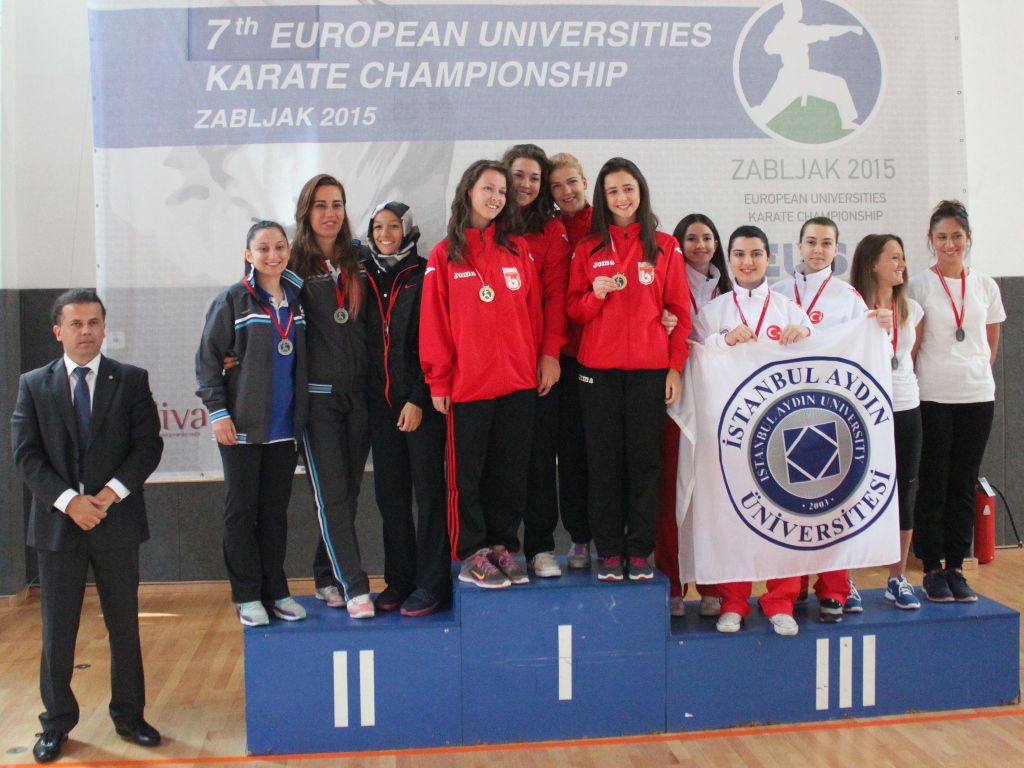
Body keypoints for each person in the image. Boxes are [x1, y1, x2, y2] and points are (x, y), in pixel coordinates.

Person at [12, 289, 164, 762]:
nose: (86, 332)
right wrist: (69, 502)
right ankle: (56, 723)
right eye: (76, 324)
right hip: (59, 527)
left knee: (124, 626)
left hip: (116, 523)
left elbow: (148, 446)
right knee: (58, 631)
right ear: (58, 330)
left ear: (104, 328)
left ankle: (130, 716)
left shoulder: (131, 380)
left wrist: (109, 494)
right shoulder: (33, 384)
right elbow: (26, 455)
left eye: (94, 323)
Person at [419, 159, 543, 589]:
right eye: (488, 188)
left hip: (518, 383)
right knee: (466, 478)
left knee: (509, 474)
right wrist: (438, 379)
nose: (496, 197)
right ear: (468, 191)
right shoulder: (445, 254)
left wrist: (533, 362)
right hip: (469, 385)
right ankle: (472, 552)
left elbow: (533, 313)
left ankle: (502, 545)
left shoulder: (517, 249)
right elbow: (434, 322)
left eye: (502, 192)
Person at [566, 157, 690, 582]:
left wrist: (674, 369)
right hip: (597, 373)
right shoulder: (587, 247)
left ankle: (639, 550)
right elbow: (573, 310)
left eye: (628, 189)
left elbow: (679, 312)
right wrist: (595, 296)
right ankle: (608, 550)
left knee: (645, 464)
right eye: (613, 191)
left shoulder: (666, 246)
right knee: (603, 464)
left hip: (649, 373)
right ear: (602, 197)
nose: (621, 198)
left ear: (641, 192)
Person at [694, 225, 812, 636]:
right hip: (729, 431)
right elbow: (693, 357)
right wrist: (723, 341)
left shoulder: (788, 310)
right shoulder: (712, 312)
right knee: (733, 515)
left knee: (785, 515)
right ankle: (733, 601)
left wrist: (806, 334)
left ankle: (781, 600)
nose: (748, 262)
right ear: (729, 258)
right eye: (740, 254)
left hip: (780, 433)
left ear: (769, 258)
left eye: (756, 254)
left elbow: (820, 355)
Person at [196, 221, 309, 627]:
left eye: (279, 247)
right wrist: (218, 412)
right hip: (242, 427)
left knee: (274, 514)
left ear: (289, 251)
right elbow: (208, 359)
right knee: (241, 513)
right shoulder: (232, 300)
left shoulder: (298, 299)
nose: (272, 255)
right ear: (248, 255)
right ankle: (247, 596)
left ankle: (276, 591)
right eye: (263, 248)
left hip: (284, 428)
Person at [774, 216, 878, 621]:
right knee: (789, 502)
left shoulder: (848, 297)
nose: (818, 250)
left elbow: (866, 349)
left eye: (826, 243)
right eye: (811, 242)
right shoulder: (779, 294)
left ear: (837, 249)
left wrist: (881, 327)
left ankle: (834, 588)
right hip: (786, 414)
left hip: (833, 413)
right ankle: (793, 584)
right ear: (799, 245)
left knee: (834, 505)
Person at [909, 200, 1005, 602]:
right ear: (931, 240)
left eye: (956, 236)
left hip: (977, 396)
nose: (949, 244)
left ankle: (956, 566)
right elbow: (912, 345)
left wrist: (975, 372)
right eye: (941, 237)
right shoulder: (919, 285)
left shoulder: (985, 286)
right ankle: (932, 567)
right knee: (934, 482)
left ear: (968, 238)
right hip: (933, 396)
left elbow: (990, 342)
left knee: (964, 483)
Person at [360, 202, 449, 616]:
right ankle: (399, 580)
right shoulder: (361, 276)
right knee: (390, 498)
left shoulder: (425, 273)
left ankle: (432, 583)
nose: (385, 234)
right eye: (378, 227)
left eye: (393, 227)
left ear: (408, 231)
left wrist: (418, 397)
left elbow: (435, 340)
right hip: (380, 408)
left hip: (421, 405)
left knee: (429, 495)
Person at [292, 174, 374, 618]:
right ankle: (355, 586)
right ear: (306, 212)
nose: (330, 213)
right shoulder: (291, 265)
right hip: (318, 402)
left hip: (358, 398)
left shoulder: (359, 260)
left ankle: (326, 576)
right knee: (332, 497)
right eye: (321, 205)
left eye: (337, 204)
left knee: (350, 493)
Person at [657, 213, 732, 617]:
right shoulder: (665, 282)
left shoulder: (729, 290)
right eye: (691, 238)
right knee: (673, 493)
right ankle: (672, 583)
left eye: (707, 237)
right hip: (678, 401)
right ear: (678, 243)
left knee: (714, 496)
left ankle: (713, 585)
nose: (700, 245)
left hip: (721, 406)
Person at [502, 144, 570, 578]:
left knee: (540, 458)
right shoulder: (487, 225)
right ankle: (504, 545)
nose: (525, 185)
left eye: (534, 178)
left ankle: (541, 546)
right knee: (503, 458)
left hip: (539, 363)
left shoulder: (552, 230)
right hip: (497, 365)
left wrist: (549, 353)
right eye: (519, 175)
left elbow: (556, 295)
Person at [850, 234, 923, 609]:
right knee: (854, 492)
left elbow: (910, 356)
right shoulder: (852, 308)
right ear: (872, 263)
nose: (901, 264)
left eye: (902, 257)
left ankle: (897, 577)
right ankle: (845, 580)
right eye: (893, 257)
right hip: (863, 410)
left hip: (906, 405)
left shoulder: (912, 309)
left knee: (904, 489)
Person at [548, 152, 593, 569]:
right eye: (557, 185)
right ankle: (580, 538)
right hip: (563, 359)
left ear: (585, 181)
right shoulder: (548, 230)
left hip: (604, 358)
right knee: (571, 453)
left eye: (572, 181)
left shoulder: (609, 225)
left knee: (607, 451)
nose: (566, 191)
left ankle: (613, 538)